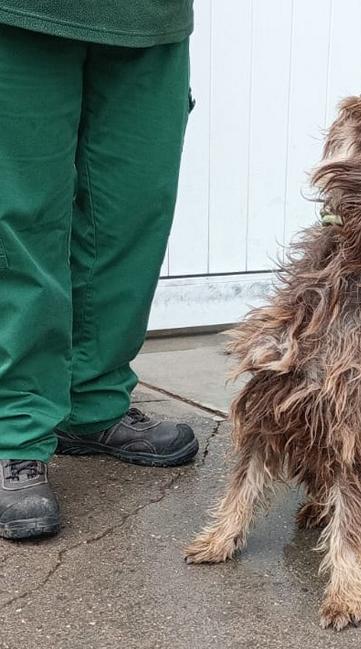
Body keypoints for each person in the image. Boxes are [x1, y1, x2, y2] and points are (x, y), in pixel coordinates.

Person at [0, 1, 198, 540]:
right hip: (20, 15)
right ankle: (16, 431)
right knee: (20, 222)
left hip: (149, 18)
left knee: (129, 216)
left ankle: (93, 404)